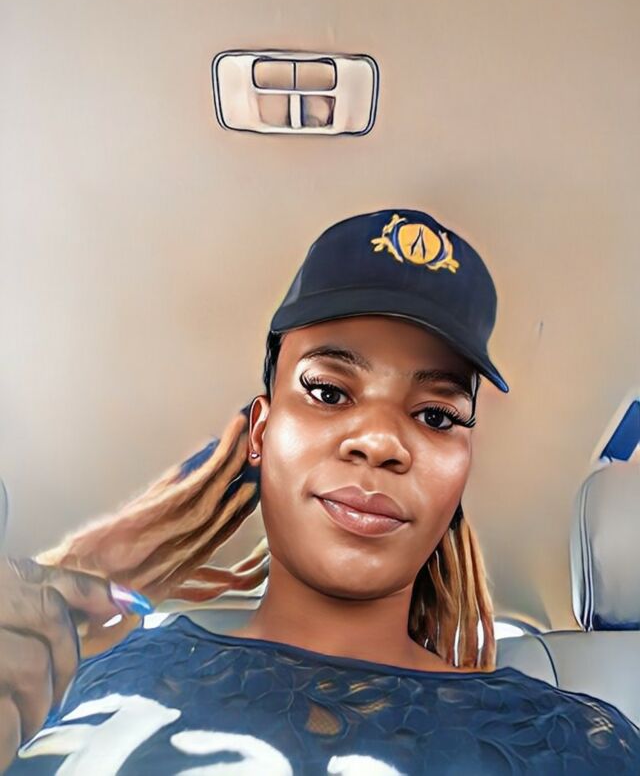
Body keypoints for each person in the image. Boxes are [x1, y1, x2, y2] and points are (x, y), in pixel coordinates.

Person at [1, 208, 639, 775]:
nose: (381, 443)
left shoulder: (579, 747)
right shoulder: (60, 680)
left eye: (436, 416)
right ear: (259, 432)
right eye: (329, 392)